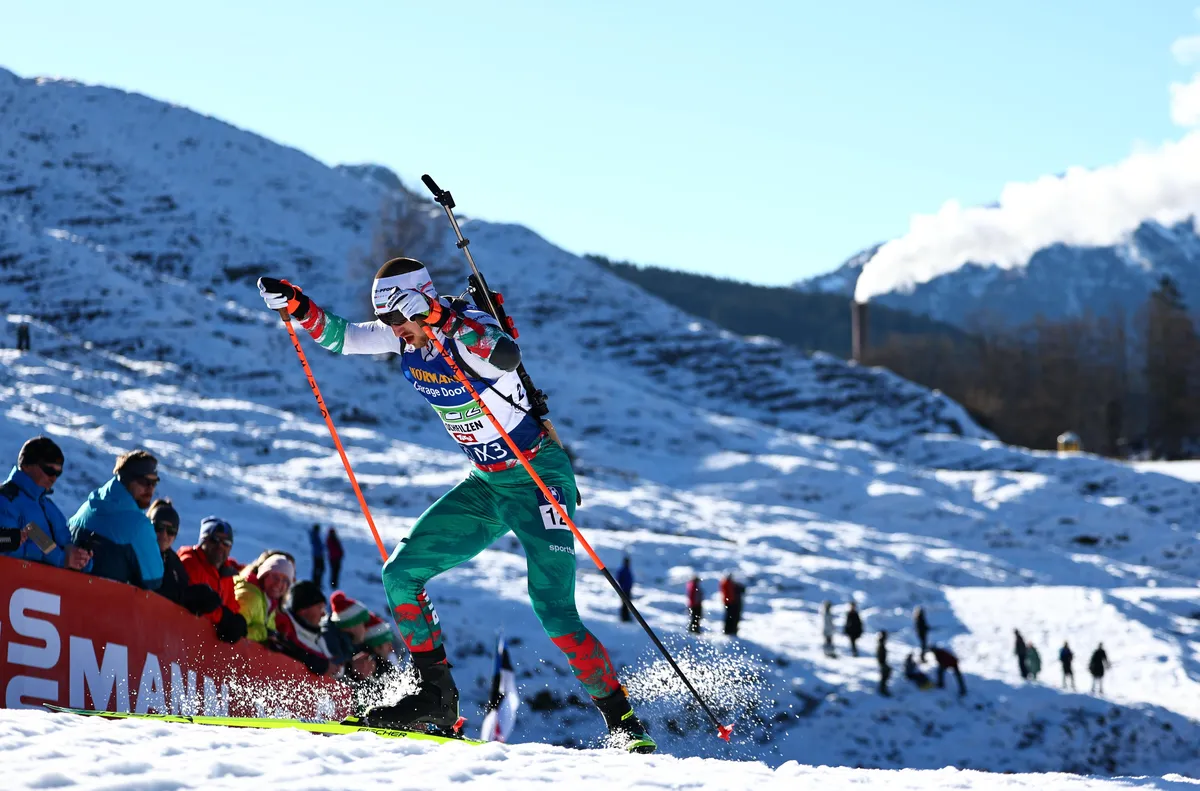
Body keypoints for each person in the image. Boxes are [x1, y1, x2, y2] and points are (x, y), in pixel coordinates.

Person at [258, 258, 655, 752]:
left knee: (553, 610)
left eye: (400, 320)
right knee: (399, 574)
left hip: (537, 477)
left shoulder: (468, 328)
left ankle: (624, 725)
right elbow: (341, 337)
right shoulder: (404, 335)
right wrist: (298, 305)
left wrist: (440, 318)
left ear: (421, 303)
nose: (395, 332)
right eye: (387, 323)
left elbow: (506, 356)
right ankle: (436, 699)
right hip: (486, 483)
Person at [69, 450, 163, 589]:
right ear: (126, 480)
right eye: (144, 482)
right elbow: (154, 580)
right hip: (106, 604)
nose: (150, 489)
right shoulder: (138, 525)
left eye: (154, 482)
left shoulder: (88, 505)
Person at [0, 436, 92, 571]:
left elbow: (65, 547)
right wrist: (60, 558)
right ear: (26, 466)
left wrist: (82, 559)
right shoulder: (6, 500)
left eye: (58, 473)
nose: (53, 477)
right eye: (49, 470)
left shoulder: (50, 508)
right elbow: (6, 549)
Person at [178, 516, 246, 644]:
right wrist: (222, 617)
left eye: (226, 543)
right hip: (181, 640)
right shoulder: (190, 563)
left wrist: (236, 622)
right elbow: (190, 603)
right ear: (203, 541)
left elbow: (231, 609)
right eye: (214, 540)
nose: (220, 546)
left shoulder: (226, 574)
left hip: (203, 649)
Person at [148, 498, 221, 617]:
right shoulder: (139, 551)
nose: (164, 535)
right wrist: (184, 597)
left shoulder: (173, 561)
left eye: (171, 531)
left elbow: (182, 590)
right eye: (159, 528)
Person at [235, 550, 295, 643]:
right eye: (275, 577)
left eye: (285, 581)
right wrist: (264, 633)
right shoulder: (250, 596)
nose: (279, 584)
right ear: (264, 575)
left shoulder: (270, 605)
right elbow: (233, 632)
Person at [616, 555, 634, 622]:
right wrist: (622, 586)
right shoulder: (623, 570)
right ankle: (624, 617)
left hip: (628, 589)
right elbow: (619, 578)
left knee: (628, 603)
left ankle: (627, 616)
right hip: (623, 590)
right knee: (624, 603)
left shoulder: (628, 569)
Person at [876, 631, 891, 696]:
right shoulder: (881, 644)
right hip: (882, 663)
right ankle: (882, 689)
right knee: (884, 676)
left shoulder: (882, 643)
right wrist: (882, 663)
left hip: (883, 662)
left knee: (886, 674)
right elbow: (880, 655)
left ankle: (883, 688)